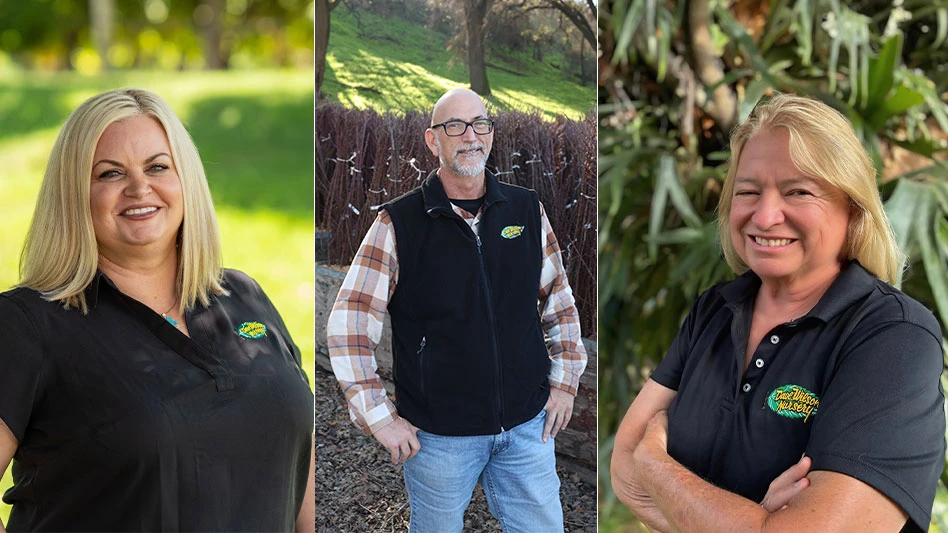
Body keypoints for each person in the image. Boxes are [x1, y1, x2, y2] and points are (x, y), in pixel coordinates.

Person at [610, 93, 945, 532]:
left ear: (853, 208)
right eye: (748, 191)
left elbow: (640, 463)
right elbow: (623, 471)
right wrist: (755, 520)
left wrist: (654, 463)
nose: (765, 216)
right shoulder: (716, 308)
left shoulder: (894, 338)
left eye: (798, 191)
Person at [0, 89, 315, 532]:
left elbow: (300, 472)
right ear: (73, 194)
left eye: (158, 167)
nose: (139, 187)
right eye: (110, 173)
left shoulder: (244, 296)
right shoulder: (26, 325)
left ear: (185, 178)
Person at [326, 87, 588, 532]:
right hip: (440, 439)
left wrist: (564, 384)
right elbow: (348, 325)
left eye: (480, 124)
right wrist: (381, 419)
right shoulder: (399, 224)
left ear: (491, 133)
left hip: (527, 427)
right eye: (455, 126)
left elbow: (559, 302)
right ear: (433, 141)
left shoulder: (526, 210)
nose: (471, 136)